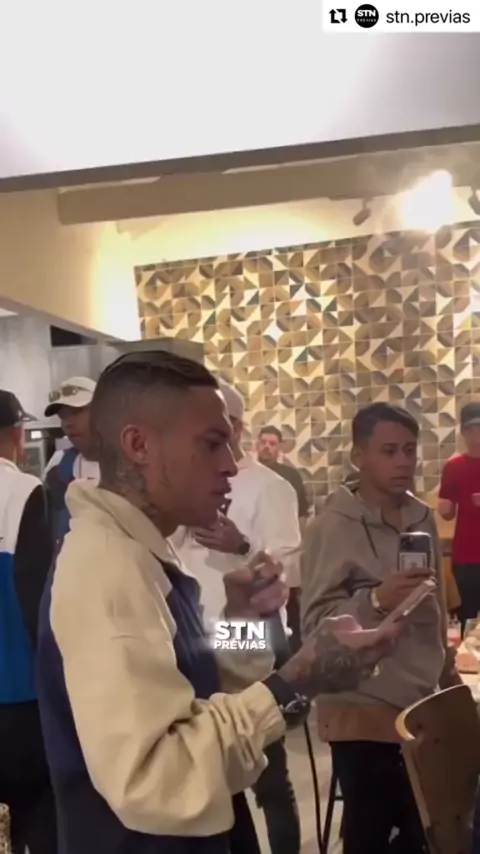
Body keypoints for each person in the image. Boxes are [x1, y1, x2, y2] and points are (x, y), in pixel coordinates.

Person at [36, 351, 397, 854]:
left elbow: (200, 693)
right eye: (211, 444)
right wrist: (297, 680)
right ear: (139, 445)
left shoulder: (144, 550)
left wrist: (241, 620)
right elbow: (159, 777)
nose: (229, 464)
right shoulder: (106, 571)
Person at [302, 402, 458, 854]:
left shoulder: (422, 518)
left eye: (410, 450)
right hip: (360, 709)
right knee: (371, 835)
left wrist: (446, 671)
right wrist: (374, 601)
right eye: (389, 451)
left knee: (423, 832)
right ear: (359, 456)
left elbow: (435, 606)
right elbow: (313, 627)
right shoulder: (331, 526)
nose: (403, 461)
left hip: (420, 702)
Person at [172, 380, 303, 854]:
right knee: (207, 759)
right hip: (189, 624)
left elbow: (291, 564)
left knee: (264, 763)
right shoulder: (188, 481)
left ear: (238, 427)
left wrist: (241, 545)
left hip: (244, 628)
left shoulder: (270, 486)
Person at [0, 390, 56, 853]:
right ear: (18, 435)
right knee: (38, 817)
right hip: (20, 692)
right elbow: (38, 594)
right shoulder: (25, 492)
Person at [257, 424, 309, 654]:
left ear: (279, 448)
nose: (267, 447)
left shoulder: (289, 476)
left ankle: (293, 654)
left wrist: (299, 552)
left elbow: (302, 515)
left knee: (290, 610)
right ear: (256, 444)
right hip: (257, 555)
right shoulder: (246, 477)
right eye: (263, 442)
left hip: (287, 555)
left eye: (272, 444)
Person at [438, 402, 480, 631]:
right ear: (463, 432)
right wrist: (443, 507)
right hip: (466, 557)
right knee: (467, 622)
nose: (476, 435)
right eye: (470, 429)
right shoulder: (454, 467)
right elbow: (447, 512)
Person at [43, 376, 99, 548]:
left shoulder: (131, 465)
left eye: (77, 412)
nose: (68, 423)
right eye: (63, 416)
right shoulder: (58, 466)